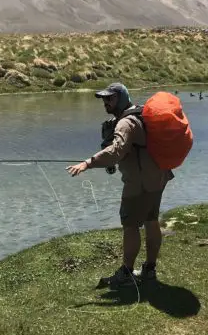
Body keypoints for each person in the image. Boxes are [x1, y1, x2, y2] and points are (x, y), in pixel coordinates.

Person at [67, 82, 173, 288]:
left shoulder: (126, 123)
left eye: (110, 98)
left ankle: (126, 272)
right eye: (104, 99)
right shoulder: (141, 114)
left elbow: (116, 151)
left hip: (139, 184)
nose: (105, 102)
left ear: (122, 98)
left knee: (130, 225)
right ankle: (149, 270)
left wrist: (88, 163)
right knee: (151, 220)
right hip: (158, 177)